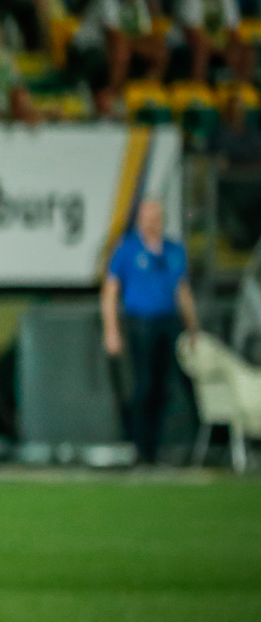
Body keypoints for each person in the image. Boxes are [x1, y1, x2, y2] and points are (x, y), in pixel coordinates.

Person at [101, 197, 199, 467]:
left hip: (170, 324)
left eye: (155, 217)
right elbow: (110, 291)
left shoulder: (174, 250)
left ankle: (180, 447)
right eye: (146, 217)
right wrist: (111, 330)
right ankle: (141, 449)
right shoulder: (128, 249)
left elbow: (183, 291)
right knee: (143, 385)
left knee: (170, 387)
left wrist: (193, 329)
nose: (150, 223)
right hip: (141, 324)